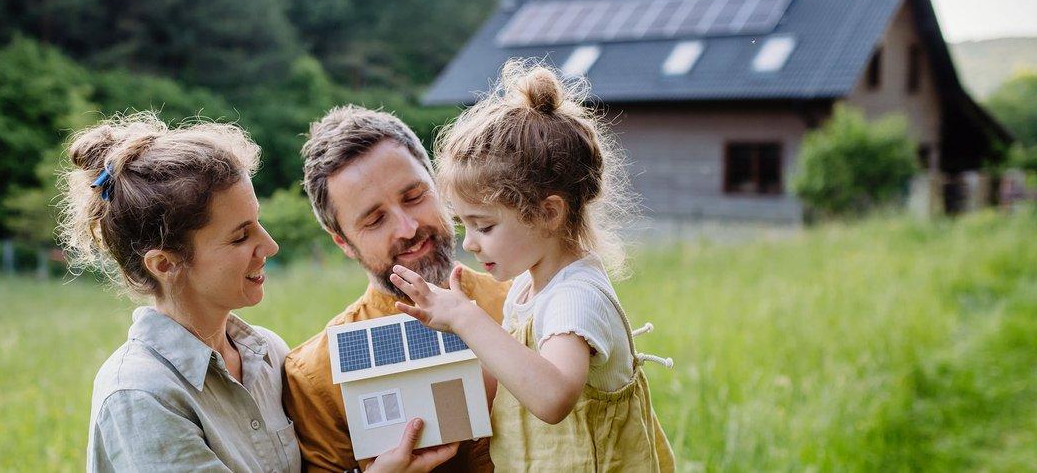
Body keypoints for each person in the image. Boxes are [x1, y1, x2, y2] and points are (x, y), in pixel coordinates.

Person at [61, 112, 455, 472]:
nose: (269, 246)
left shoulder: (268, 354)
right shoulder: (140, 396)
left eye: (258, 223)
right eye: (240, 237)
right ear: (165, 265)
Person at [389, 61, 677, 472]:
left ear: (548, 214)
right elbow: (512, 382)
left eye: (484, 225)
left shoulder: (574, 299)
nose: (469, 243)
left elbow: (552, 398)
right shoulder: (530, 286)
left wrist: (467, 318)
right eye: (464, 225)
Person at [283, 106, 511, 472]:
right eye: (375, 220)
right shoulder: (315, 375)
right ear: (342, 242)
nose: (407, 227)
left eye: (414, 196)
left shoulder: (526, 300)